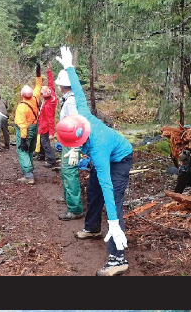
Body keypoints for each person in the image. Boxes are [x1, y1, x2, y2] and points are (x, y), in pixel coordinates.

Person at [56, 46, 136, 275]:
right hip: (106, 152)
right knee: (92, 191)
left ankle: (118, 258)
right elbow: (79, 92)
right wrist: (69, 67)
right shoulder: (82, 114)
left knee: (113, 200)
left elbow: (108, 188)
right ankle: (92, 227)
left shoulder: (98, 150)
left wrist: (113, 223)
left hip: (119, 158)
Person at [55, 79, 86, 221]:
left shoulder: (71, 102)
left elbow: (76, 125)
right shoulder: (69, 99)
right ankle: (69, 198)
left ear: (62, 85)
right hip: (68, 140)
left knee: (69, 172)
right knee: (66, 171)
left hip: (72, 142)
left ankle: (75, 209)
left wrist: (75, 147)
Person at [31, 63, 59, 167]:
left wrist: (51, 132)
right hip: (43, 124)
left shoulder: (48, 106)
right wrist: (49, 71)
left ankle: (51, 160)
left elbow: (50, 119)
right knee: (42, 142)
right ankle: (41, 155)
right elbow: (51, 83)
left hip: (45, 126)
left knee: (45, 142)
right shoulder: (52, 94)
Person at [12, 84, 41, 184]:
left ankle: (28, 176)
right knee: (29, 151)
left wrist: (23, 140)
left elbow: (23, 126)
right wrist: (38, 73)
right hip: (34, 128)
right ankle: (30, 171)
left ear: (21, 95)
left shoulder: (21, 107)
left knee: (22, 151)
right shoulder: (35, 98)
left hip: (26, 131)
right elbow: (38, 86)